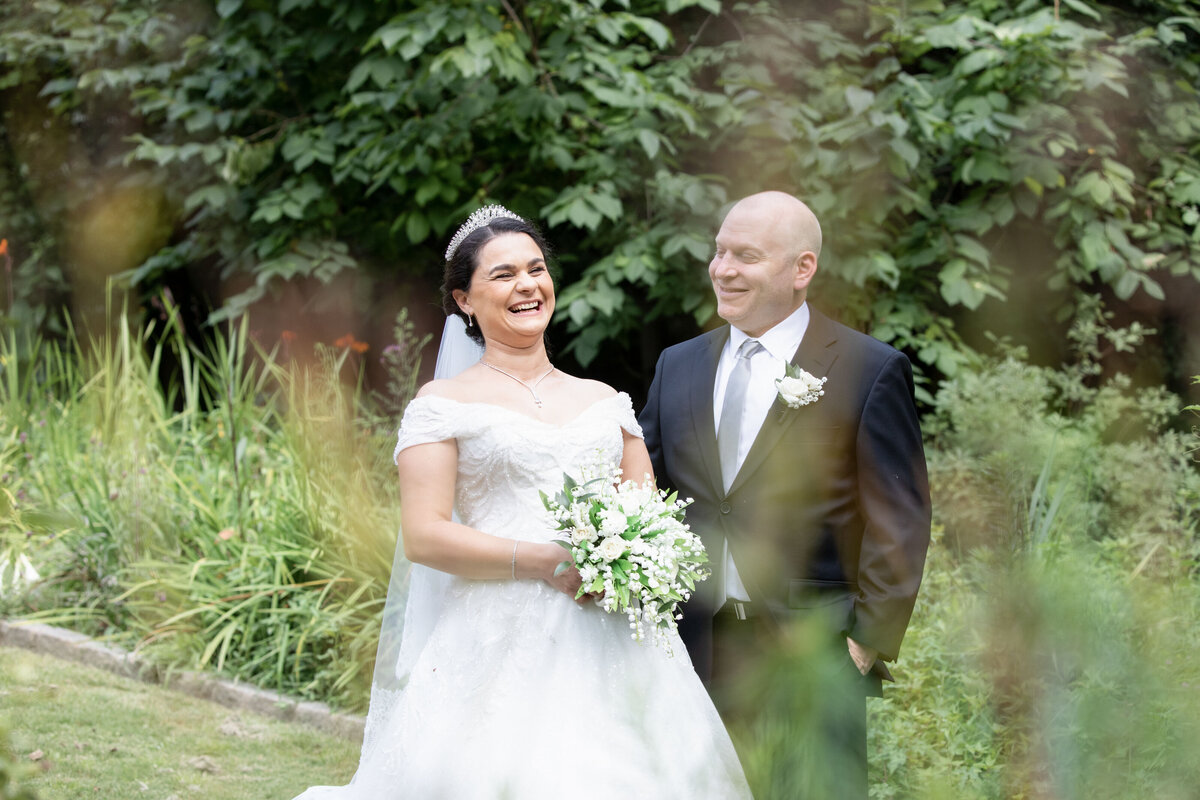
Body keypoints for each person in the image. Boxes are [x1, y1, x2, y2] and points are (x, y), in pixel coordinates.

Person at [293, 206, 750, 799]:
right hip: (494, 641)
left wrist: (630, 565)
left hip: (618, 637)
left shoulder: (607, 401)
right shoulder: (442, 404)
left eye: (536, 269)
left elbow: (650, 518)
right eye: (503, 275)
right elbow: (426, 536)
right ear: (465, 300)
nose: (527, 285)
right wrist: (545, 560)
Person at [639, 191, 932, 798]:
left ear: (802, 270)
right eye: (719, 251)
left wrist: (862, 646)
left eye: (745, 255)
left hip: (810, 652)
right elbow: (644, 494)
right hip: (692, 650)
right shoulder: (678, 364)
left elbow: (899, 519)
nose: (722, 269)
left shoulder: (867, 368)